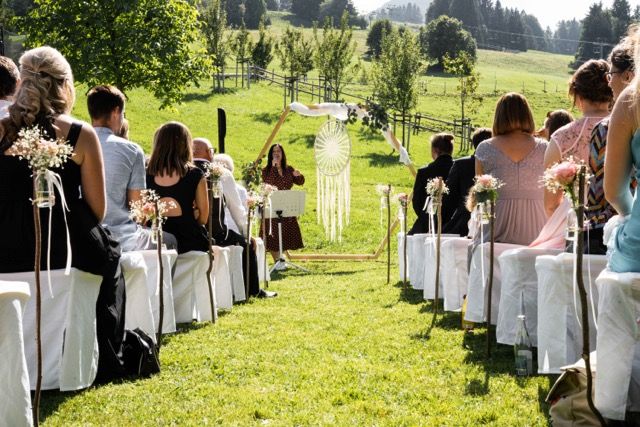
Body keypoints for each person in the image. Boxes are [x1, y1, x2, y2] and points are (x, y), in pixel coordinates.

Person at [0, 47, 127, 381]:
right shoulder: (78, 133)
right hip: (63, 246)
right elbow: (98, 210)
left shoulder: (1, 131)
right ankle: (104, 352)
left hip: (5, 249)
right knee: (111, 252)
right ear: (63, 86)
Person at [530, 59, 612, 249]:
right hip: (620, 219)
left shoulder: (562, 137)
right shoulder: (625, 130)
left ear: (578, 95)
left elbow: (550, 203)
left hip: (575, 219)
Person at [87, 85, 177, 251]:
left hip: (82, 233)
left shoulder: (74, 145)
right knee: (169, 240)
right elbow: (137, 207)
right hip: (120, 235)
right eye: (123, 114)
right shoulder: (131, 150)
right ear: (115, 112)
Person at [193, 150, 276, 298]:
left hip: (185, 234)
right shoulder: (221, 174)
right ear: (208, 153)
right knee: (247, 245)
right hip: (216, 234)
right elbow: (237, 210)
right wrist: (247, 235)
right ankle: (253, 290)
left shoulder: (179, 170)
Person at [585, 35, 637, 255]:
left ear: (628, 75)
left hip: (628, 236)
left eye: (611, 74)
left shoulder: (607, 127)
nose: (609, 81)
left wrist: (629, 218)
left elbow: (604, 193)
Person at [474, 93, 547, 245]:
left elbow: (481, 195)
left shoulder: (485, 148)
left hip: (497, 222)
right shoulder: (544, 147)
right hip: (537, 225)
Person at [146, 122, 210, 254]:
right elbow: (203, 218)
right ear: (185, 145)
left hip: (156, 243)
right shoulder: (195, 174)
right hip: (189, 243)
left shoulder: (146, 174)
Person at [442, 128, 492, 237]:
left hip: (462, 221)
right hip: (485, 220)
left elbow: (449, 198)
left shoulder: (460, 164)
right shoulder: (497, 165)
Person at [261, 143, 305, 260]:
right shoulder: (266, 170)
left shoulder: (288, 169)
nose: (276, 153)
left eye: (278, 151)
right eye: (274, 152)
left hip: (287, 205)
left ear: (282, 154)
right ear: (271, 155)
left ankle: (282, 257)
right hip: (272, 206)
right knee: (274, 234)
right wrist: (274, 168)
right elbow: (267, 183)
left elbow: (300, 182)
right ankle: (277, 260)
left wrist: (299, 175)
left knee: (285, 233)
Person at [408, 133, 455, 235]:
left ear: (435, 150)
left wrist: (426, 216)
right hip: (453, 223)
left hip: (427, 222)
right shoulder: (459, 168)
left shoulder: (424, 172)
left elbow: (417, 202)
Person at [214, 153, 249, 234]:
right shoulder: (241, 190)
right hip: (225, 230)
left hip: (232, 229)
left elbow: (243, 213)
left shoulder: (241, 190)